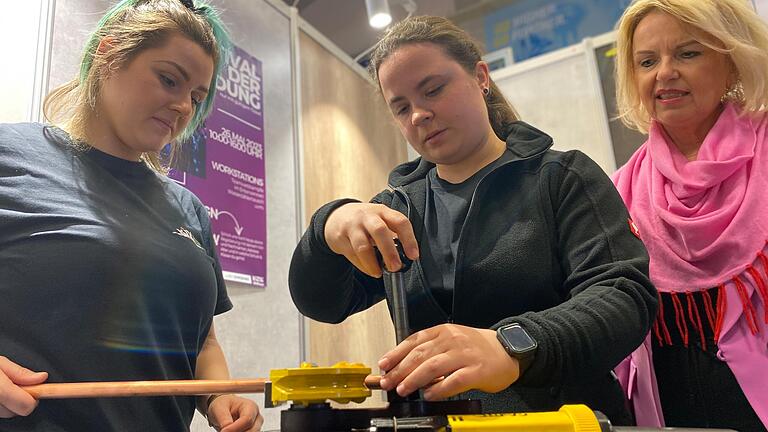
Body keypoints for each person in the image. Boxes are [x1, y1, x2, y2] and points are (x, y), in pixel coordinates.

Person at [289, 15, 657, 424]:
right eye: (402, 107)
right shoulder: (396, 210)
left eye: (433, 90)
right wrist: (327, 225)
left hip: (562, 419)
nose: (419, 115)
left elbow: (623, 297)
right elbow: (322, 302)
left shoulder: (562, 178)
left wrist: (513, 344)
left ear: (481, 76)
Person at [0, 1, 262, 430]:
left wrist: (220, 395)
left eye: (196, 97)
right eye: (169, 79)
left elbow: (201, 341)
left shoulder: (188, 207)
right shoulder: (10, 155)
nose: (183, 106)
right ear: (109, 54)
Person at [611, 0, 768, 430]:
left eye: (688, 53)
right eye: (647, 61)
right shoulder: (617, 190)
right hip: (672, 416)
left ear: (731, 60)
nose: (664, 73)